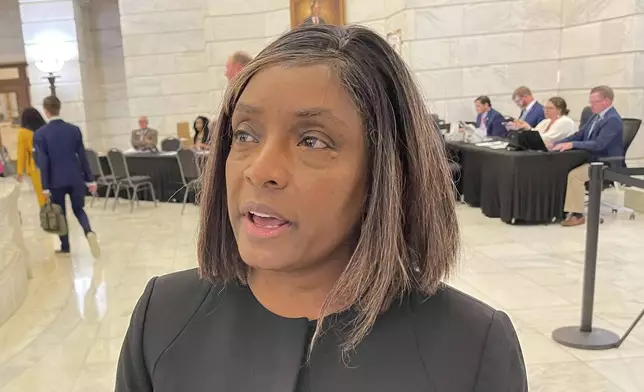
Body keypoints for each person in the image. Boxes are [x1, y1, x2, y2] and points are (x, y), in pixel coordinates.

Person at [116, 25, 526, 391]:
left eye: (313, 140)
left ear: (386, 171)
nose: (261, 170)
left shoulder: (472, 348)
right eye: (245, 134)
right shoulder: (163, 316)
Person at [33, 96, 100, 257]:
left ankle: (65, 246)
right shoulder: (73, 130)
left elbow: (44, 161)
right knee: (79, 209)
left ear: (46, 111)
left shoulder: (41, 134)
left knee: (59, 212)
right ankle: (88, 231)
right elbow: (82, 156)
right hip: (75, 177)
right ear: (59, 108)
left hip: (56, 181)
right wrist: (89, 179)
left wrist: (45, 186)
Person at [551, 86, 624, 227]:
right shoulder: (595, 117)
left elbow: (599, 145)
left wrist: (572, 145)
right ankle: (561, 209)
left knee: (575, 175)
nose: (591, 106)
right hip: (591, 158)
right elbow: (579, 135)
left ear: (606, 101)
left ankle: (578, 215)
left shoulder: (613, 120)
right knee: (561, 168)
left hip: (605, 163)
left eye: (595, 102)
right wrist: (556, 143)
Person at [16, 107, 47, 206]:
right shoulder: (45, 129)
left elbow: (21, 153)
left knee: (41, 196)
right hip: (49, 164)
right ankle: (58, 216)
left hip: (35, 167)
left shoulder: (23, 132)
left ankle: (47, 217)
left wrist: (20, 172)